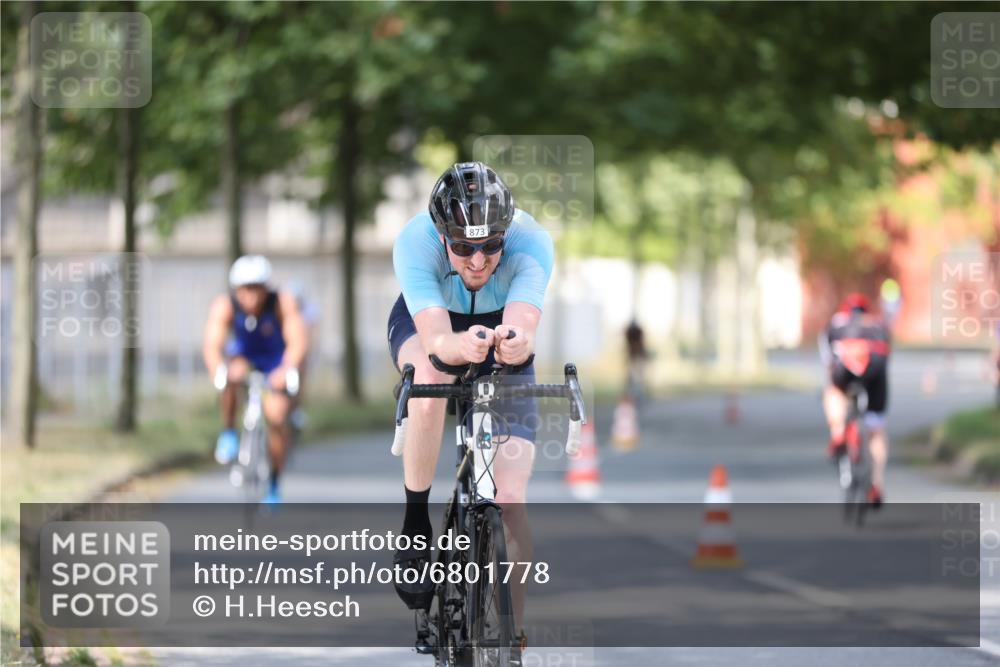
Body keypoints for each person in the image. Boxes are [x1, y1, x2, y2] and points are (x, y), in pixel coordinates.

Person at [387, 162, 553, 633]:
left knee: (512, 497)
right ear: (443, 238)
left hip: (499, 324)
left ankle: (513, 636)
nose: (477, 261)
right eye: (462, 248)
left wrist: (518, 342)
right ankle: (416, 523)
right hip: (431, 321)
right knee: (430, 378)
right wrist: (456, 347)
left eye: (490, 246)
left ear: (506, 234)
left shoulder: (533, 242)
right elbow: (439, 340)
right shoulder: (415, 242)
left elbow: (524, 322)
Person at [202, 255, 309, 505]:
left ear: (266, 288)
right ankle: (228, 431)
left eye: (257, 289)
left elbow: (298, 340)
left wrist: (287, 368)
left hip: (275, 361)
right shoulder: (225, 305)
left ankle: (274, 481)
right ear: (236, 290)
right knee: (231, 375)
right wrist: (219, 371)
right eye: (245, 290)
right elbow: (212, 344)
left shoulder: (283, 303)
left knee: (277, 415)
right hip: (244, 356)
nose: (251, 297)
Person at [820, 292, 891, 508]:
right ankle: (877, 484)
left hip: (846, 367)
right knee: (876, 430)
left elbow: (828, 362)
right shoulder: (878, 324)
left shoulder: (836, 323)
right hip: (876, 369)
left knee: (833, 391)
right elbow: (887, 356)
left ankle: (839, 433)